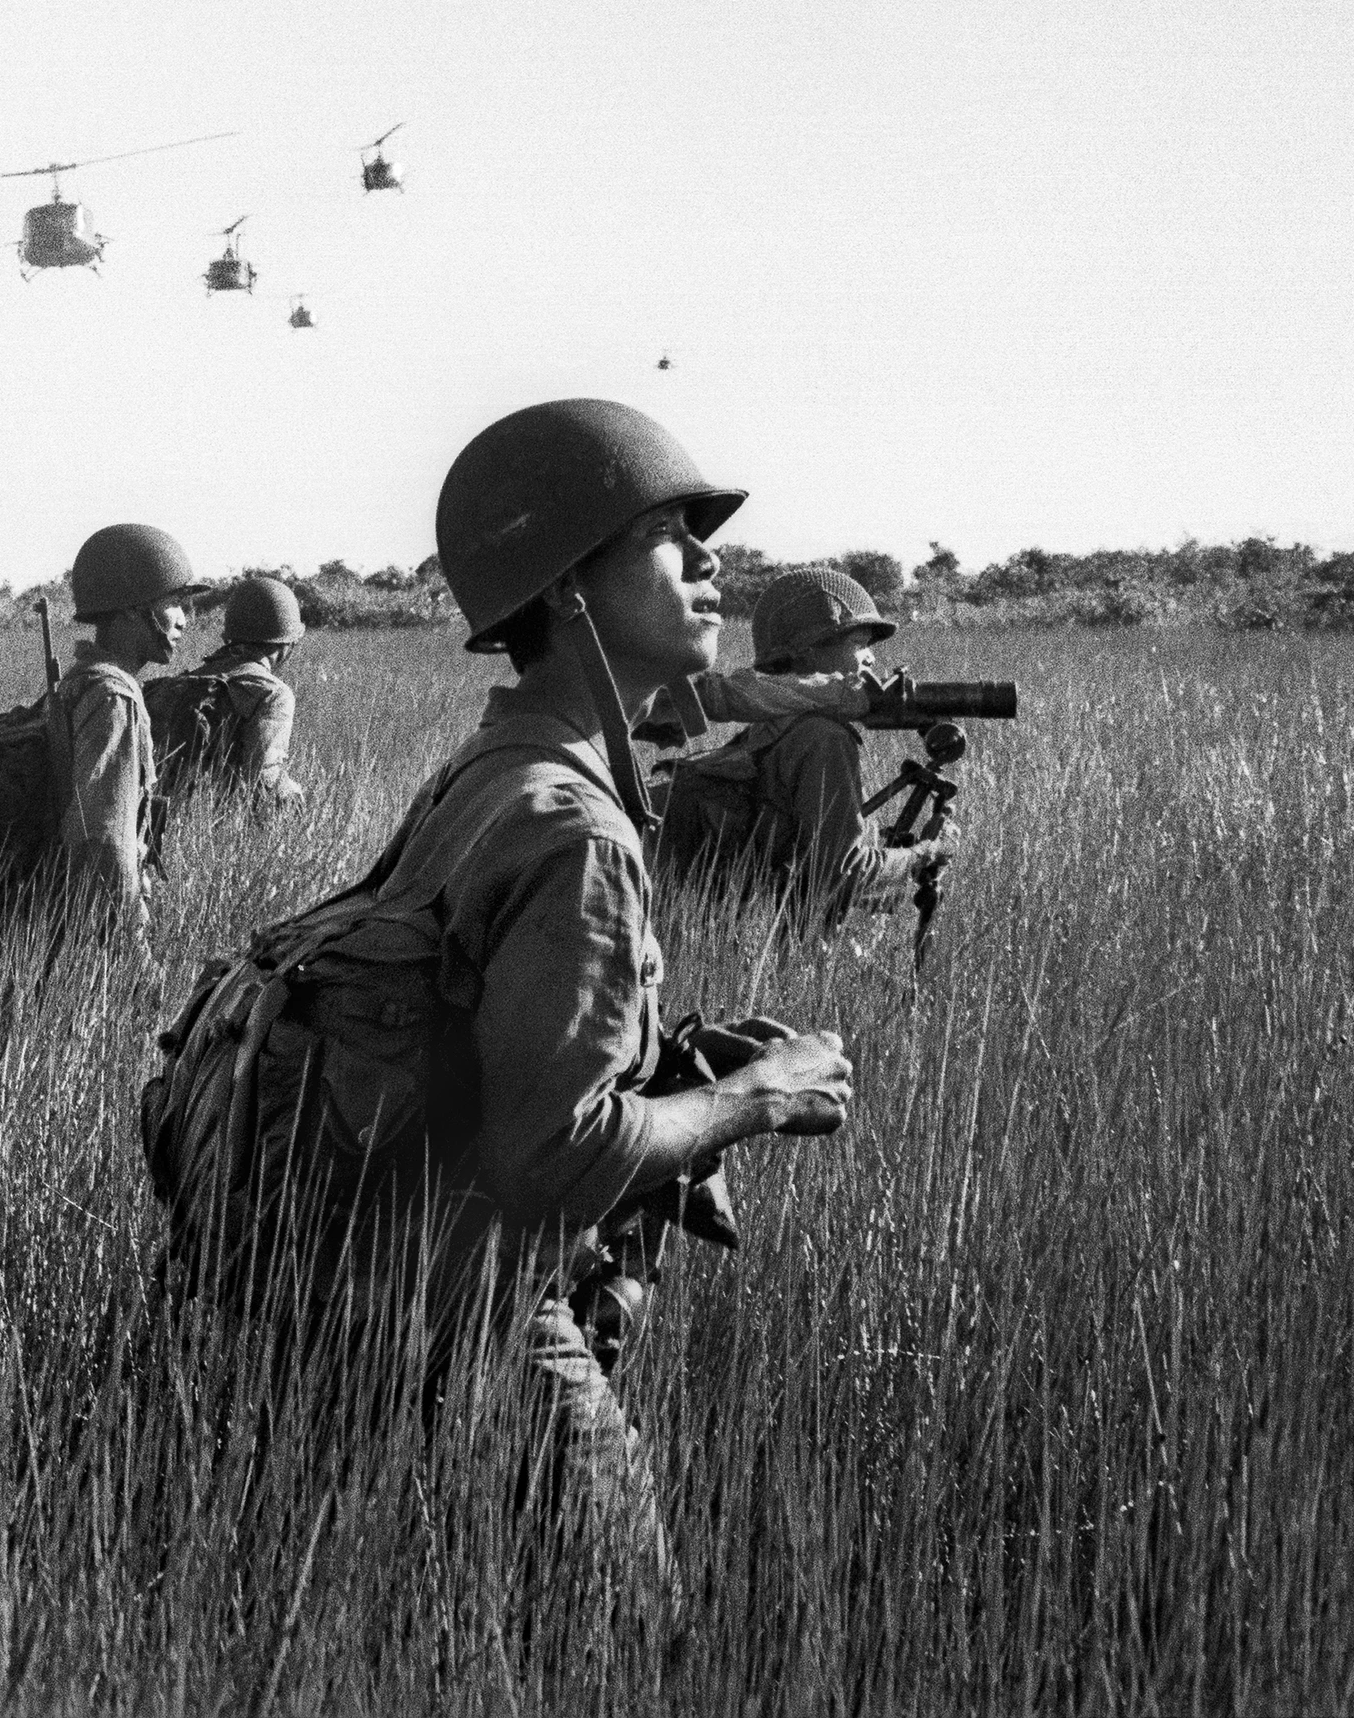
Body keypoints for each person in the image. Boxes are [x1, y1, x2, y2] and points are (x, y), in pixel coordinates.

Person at [142, 400, 856, 1626]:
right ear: (569, 588)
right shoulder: (574, 828)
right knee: (626, 1641)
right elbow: (553, 1152)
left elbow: (456, 1035)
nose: (711, 559)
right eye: (667, 535)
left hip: (353, 1302)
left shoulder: (494, 771)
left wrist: (669, 1060)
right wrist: (755, 1098)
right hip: (479, 1320)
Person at [653, 566, 922, 922]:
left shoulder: (773, 723)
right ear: (809, 654)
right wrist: (923, 856)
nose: (870, 657)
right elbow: (840, 874)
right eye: (858, 644)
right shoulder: (823, 737)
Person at [21, 521, 203, 953]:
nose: (184, 620)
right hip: (83, 931)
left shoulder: (81, 681)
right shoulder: (113, 697)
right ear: (131, 611)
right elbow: (105, 841)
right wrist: (134, 951)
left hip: (48, 914)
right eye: (173, 602)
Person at [149, 574, 306, 821]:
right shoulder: (273, 694)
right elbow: (264, 778)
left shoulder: (170, 685)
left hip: (157, 821)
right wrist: (295, 797)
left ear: (228, 636)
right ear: (288, 643)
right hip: (216, 825)